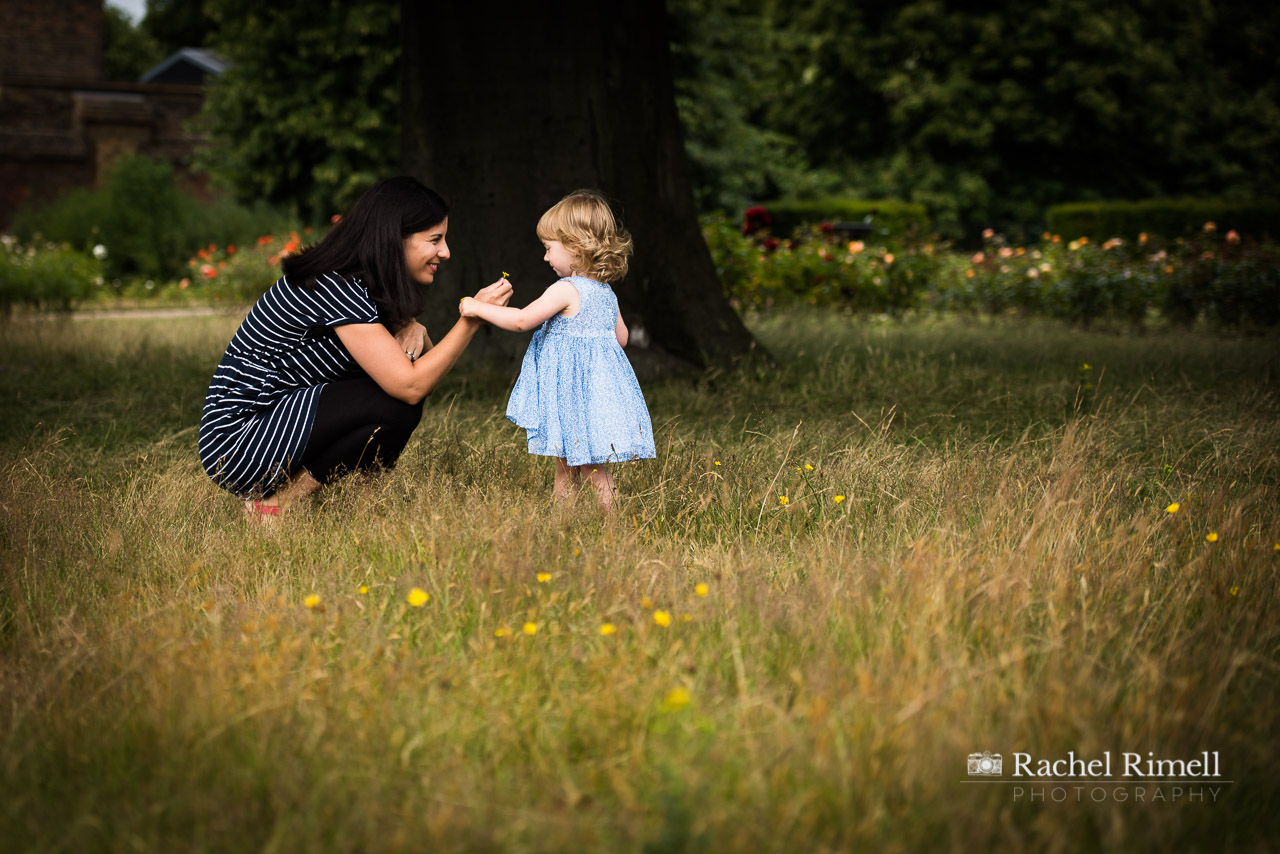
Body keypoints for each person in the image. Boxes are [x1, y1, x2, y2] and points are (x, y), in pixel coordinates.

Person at [198, 176, 512, 520]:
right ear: (395, 239)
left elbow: (426, 375)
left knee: (398, 402)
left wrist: (415, 327)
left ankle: (366, 512)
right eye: (434, 239)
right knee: (393, 402)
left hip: (272, 424)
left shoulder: (360, 285)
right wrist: (472, 319)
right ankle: (273, 505)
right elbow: (411, 385)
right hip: (238, 440)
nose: (446, 252)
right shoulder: (336, 284)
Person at [460, 189, 655, 511]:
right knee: (568, 466)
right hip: (589, 395)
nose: (546, 257)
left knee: (589, 469)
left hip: (570, 396)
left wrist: (477, 308)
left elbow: (523, 320)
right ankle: (561, 526)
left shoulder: (566, 289)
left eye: (549, 249)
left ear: (576, 248)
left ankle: (616, 530)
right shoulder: (605, 293)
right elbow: (620, 339)